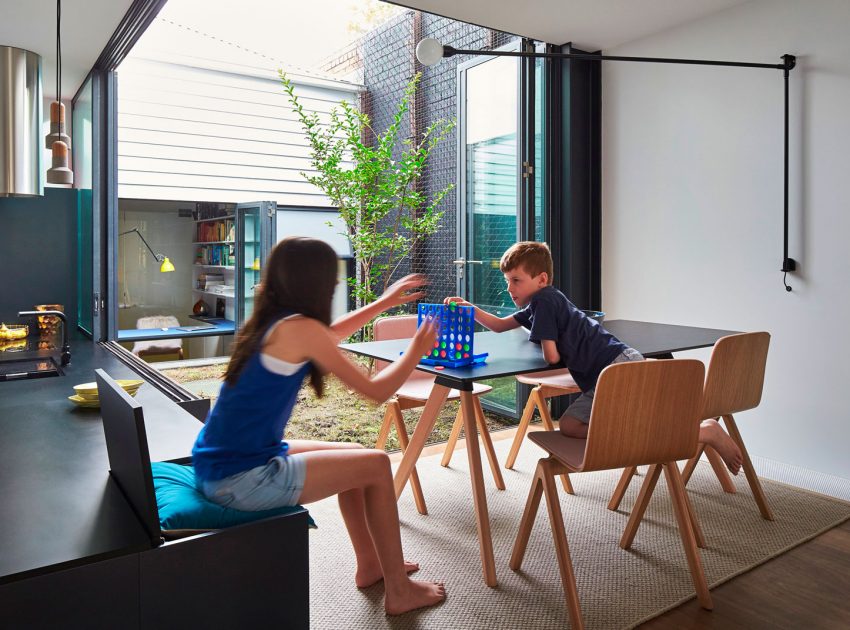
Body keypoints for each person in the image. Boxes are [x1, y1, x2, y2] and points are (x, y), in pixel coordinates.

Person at [192, 236, 445, 615]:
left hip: (225, 462)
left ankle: (372, 565)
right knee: (377, 465)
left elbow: (329, 337)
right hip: (240, 478)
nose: (336, 286)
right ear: (317, 283)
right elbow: (376, 392)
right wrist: (416, 350)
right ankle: (399, 590)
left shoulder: (277, 321)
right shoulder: (301, 329)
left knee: (361, 458)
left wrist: (384, 303)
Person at [445, 241, 743, 474]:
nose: (509, 288)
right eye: (508, 281)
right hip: (617, 364)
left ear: (541, 278)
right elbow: (499, 325)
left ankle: (703, 431)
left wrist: (551, 342)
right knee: (604, 425)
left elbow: (551, 357)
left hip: (614, 369)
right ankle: (685, 432)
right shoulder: (544, 301)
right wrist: (469, 309)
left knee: (612, 427)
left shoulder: (544, 301)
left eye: (516, 280)